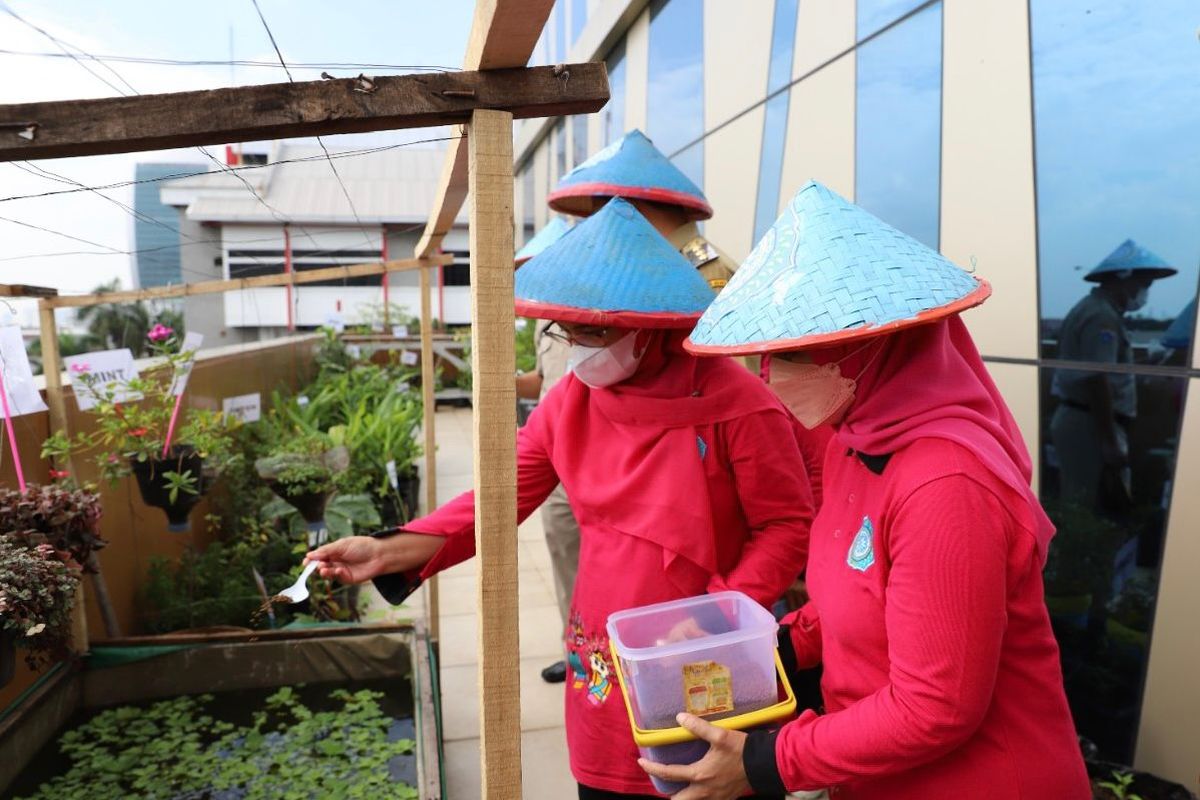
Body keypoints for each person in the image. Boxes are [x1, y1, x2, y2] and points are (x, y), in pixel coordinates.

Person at [310, 197, 815, 799]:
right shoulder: (571, 400)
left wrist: (713, 616)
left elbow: (787, 525)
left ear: (654, 327)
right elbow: (498, 498)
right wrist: (388, 552)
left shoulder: (740, 403)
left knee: (709, 776)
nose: (577, 345)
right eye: (566, 328)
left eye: (595, 329)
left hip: (709, 647)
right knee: (606, 781)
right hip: (603, 644)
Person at [645, 181, 1091, 799]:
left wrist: (765, 763)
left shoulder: (946, 485)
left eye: (799, 348)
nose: (772, 370)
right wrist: (759, 648)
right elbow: (852, 605)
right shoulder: (857, 442)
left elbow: (935, 706)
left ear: (878, 345)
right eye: (770, 350)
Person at [1050, 239, 1176, 512]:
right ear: (1123, 279)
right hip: (1089, 423)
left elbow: (1107, 368)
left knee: (1085, 500)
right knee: (1084, 508)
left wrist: (1146, 362)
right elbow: (1097, 378)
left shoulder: (1098, 310)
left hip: (1088, 419)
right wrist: (1109, 441)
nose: (1144, 292)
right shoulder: (1101, 317)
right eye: (1144, 284)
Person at [515, 215, 582, 684]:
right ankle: (575, 648)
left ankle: (610, 654)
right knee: (564, 555)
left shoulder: (593, 318)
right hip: (552, 452)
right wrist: (506, 380)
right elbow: (545, 382)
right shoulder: (544, 326)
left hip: (591, 453)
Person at [548, 129, 739, 292]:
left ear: (629, 211)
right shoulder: (666, 263)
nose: (603, 234)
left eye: (606, 219)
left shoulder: (703, 271)